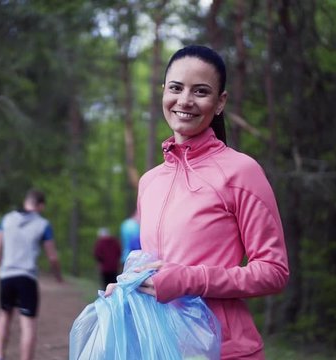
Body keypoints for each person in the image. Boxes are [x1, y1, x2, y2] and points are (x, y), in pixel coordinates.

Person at [105, 45, 289, 359]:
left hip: (222, 349)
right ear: (164, 91)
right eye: (176, 88)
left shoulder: (242, 172)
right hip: (158, 345)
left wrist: (189, 279)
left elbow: (274, 271)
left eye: (200, 92)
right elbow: (157, 267)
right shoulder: (149, 181)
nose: (185, 101)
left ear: (220, 103)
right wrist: (128, 287)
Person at [0, 189, 63, 360]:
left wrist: (1, 265)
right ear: (40, 205)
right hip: (27, 278)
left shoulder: (7, 219)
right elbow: (52, 256)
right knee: (28, 324)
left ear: (26, 201)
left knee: (4, 315)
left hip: (6, 275)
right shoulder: (43, 224)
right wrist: (57, 276)